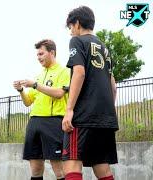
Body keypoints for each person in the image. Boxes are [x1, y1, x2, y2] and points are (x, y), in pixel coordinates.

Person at [62, 6, 118, 180]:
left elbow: (79, 72)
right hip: (105, 117)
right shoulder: (104, 48)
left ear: (77, 24)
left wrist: (69, 109)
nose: (71, 32)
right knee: (101, 165)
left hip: (83, 115)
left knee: (71, 162)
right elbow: (113, 85)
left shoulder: (77, 41)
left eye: (71, 27)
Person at [13, 39, 70, 180]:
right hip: (34, 122)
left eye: (41, 54)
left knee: (59, 168)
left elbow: (59, 93)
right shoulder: (39, 75)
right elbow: (28, 102)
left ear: (52, 52)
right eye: (37, 55)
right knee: (36, 168)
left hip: (53, 123)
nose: (38, 57)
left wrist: (35, 85)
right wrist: (21, 90)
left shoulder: (64, 71)